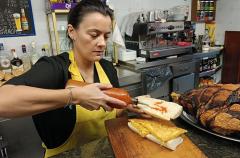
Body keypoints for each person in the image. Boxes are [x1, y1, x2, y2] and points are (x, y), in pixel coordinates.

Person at [0, 0, 144, 157]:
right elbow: (3, 100)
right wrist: (73, 96)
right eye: (94, 35)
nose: (102, 43)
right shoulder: (54, 68)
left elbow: (114, 113)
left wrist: (129, 108)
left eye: (106, 36)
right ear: (71, 31)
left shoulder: (107, 68)